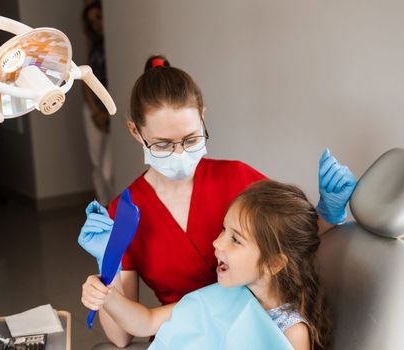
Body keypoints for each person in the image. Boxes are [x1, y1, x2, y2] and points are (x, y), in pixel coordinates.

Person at [78, 55, 355, 347]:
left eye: (191, 139)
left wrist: (328, 212)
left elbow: (289, 240)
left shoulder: (237, 178)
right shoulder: (124, 214)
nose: (180, 154)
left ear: (203, 117)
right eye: (162, 144)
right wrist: (106, 266)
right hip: (183, 332)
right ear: (136, 131)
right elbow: (123, 335)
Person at [82, 180, 331, 350]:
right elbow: (145, 322)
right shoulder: (223, 295)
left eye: (235, 239)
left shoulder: (291, 332)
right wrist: (106, 295)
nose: (217, 243)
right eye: (224, 229)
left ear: (274, 263)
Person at [81, 0, 113, 205]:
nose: (97, 24)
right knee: (96, 163)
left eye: (99, 17)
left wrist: (107, 112)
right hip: (92, 108)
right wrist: (95, 111)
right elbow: (85, 81)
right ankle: (104, 210)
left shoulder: (114, 45)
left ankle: (114, 207)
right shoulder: (94, 48)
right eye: (92, 22)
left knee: (107, 168)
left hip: (112, 109)